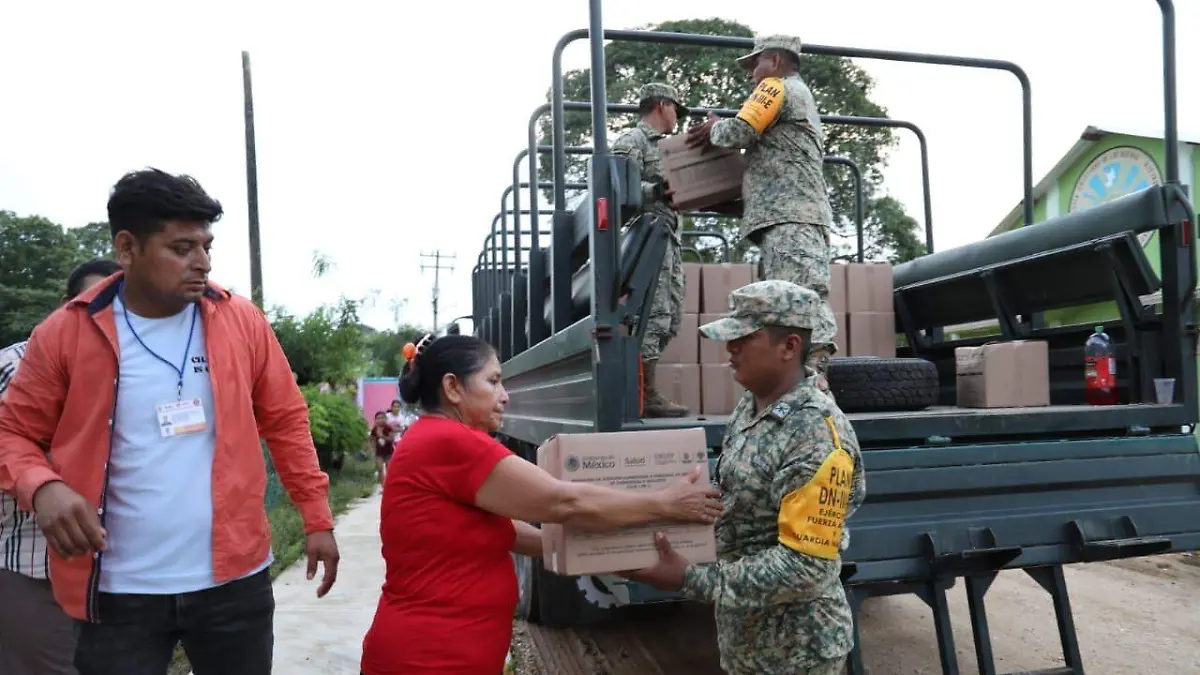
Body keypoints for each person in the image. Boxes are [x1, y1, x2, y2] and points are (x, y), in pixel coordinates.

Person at [0, 168, 340, 675]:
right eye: (182, 248)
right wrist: (42, 486)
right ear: (127, 248)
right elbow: (12, 432)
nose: (201, 263)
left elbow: (286, 420)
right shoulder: (67, 333)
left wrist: (316, 516)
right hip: (117, 590)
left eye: (207, 246)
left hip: (235, 581)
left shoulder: (240, 321)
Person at [360, 333, 723, 675]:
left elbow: (504, 531)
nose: (505, 396)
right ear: (453, 387)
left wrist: (609, 557)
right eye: (493, 381)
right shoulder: (449, 442)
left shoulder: (435, 439)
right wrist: (666, 504)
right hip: (428, 658)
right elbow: (564, 502)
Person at [620, 280, 866, 675]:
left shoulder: (816, 433)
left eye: (743, 338)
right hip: (747, 636)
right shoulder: (751, 407)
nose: (730, 349)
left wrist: (691, 578)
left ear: (789, 347)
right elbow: (741, 501)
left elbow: (806, 567)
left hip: (796, 650)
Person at [685, 35, 840, 386]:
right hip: (790, 216)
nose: (752, 74)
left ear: (774, 60)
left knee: (798, 296)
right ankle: (803, 378)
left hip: (791, 218)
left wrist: (713, 128)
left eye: (755, 64)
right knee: (789, 298)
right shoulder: (797, 94)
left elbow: (739, 131)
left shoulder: (777, 87)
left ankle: (813, 379)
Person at [0, 258, 121, 675]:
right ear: (66, 305)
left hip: (116, 573)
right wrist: (43, 483)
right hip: (34, 565)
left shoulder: (130, 368)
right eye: (92, 302)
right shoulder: (12, 366)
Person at [613, 82, 692, 418]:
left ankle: (646, 390)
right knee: (652, 316)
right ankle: (643, 394)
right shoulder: (632, 142)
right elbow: (616, 192)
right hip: (644, 241)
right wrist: (656, 191)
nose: (678, 116)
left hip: (667, 241)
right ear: (662, 105)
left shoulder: (671, 147)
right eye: (676, 108)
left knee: (670, 316)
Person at [369, 411, 395, 485]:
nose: (380, 420)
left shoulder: (389, 428)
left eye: (382, 418)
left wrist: (382, 436)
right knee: (380, 469)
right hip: (379, 453)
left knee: (389, 469)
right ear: (375, 420)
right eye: (378, 418)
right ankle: (383, 486)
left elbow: (391, 439)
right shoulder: (374, 429)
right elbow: (372, 439)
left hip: (389, 452)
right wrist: (372, 448)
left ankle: (390, 484)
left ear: (386, 419)